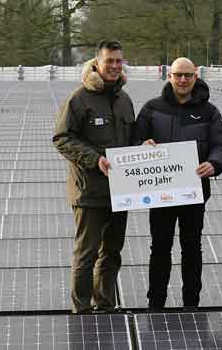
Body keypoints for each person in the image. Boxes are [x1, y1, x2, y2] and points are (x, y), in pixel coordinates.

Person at [135, 57, 222, 310]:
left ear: (195, 77)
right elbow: (135, 142)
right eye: (178, 75)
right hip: (160, 192)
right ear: (169, 76)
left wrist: (214, 163)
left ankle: (191, 303)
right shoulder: (151, 108)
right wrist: (142, 146)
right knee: (160, 248)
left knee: (192, 249)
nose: (183, 80)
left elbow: (221, 145)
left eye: (188, 75)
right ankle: (156, 302)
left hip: (194, 191)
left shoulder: (209, 111)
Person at [52, 40, 134, 313]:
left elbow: (131, 140)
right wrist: (94, 159)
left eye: (118, 61)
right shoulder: (80, 98)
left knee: (112, 252)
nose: (114, 66)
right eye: (109, 61)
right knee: (86, 253)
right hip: (89, 191)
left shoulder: (124, 100)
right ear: (96, 63)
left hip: (120, 191)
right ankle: (82, 308)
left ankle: (106, 304)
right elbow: (62, 138)